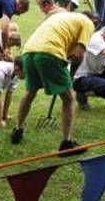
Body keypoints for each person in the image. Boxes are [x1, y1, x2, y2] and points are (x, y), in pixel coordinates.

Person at [11, 12, 96, 155]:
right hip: (50, 52)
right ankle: (67, 143)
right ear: (95, 21)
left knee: (30, 92)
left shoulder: (65, 17)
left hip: (29, 51)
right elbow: (78, 54)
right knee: (69, 98)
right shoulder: (88, 23)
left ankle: (17, 130)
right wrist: (70, 75)